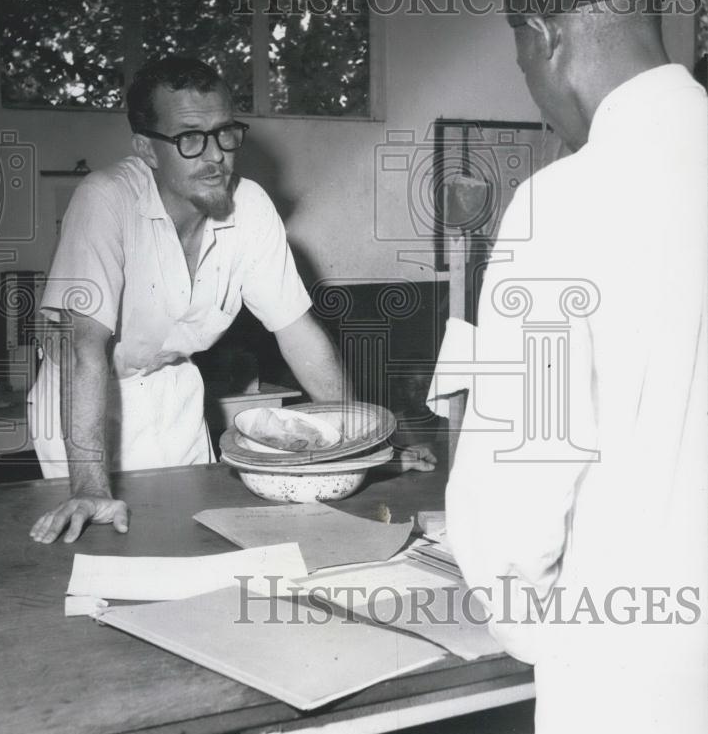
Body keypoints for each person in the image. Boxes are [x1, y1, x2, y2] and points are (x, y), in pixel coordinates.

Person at [443, 0, 708, 734]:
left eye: (522, 60)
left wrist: (522, 622)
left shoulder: (563, 204)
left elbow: (517, 489)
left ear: (543, 37)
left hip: (631, 677)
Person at [29, 56, 433, 545]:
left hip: (173, 393)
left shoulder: (252, 207)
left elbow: (298, 333)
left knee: (195, 542)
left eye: (225, 133)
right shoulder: (105, 200)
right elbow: (83, 352)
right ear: (147, 150)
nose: (215, 154)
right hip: (82, 402)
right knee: (97, 548)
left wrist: (364, 446)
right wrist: (89, 487)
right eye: (190, 137)